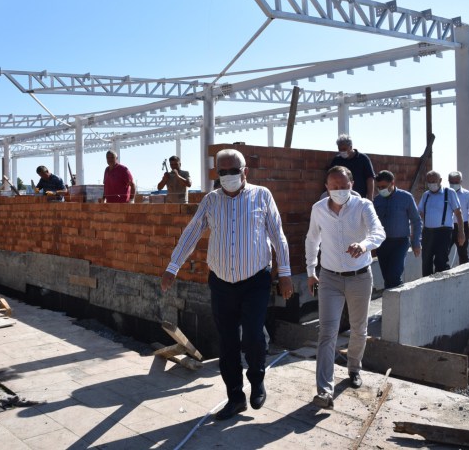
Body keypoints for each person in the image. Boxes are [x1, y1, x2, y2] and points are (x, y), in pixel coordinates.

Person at [160, 149, 293, 421]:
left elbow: (277, 235)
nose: (228, 176)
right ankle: (235, 397)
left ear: (245, 172)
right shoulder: (211, 200)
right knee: (228, 341)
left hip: (255, 279)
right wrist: (173, 266)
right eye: (223, 171)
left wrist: (286, 273)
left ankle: (257, 379)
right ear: (217, 174)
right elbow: (192, 232)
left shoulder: (262, 196)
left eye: (234, 171)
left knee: (253, 335)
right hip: (221, 282)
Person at [305, 166, 385, 409]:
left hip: (360, 277)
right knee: (326, 332)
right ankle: (324, 390)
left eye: (343, 186)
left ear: (352, 185)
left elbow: (379, 232)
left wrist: (364, 245)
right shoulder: (318, 209)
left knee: (359, 328)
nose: (339, 190)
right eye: (334, 186)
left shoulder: (363, 206)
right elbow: (312, 239)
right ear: (327, 187)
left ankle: (354, 367)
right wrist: (311, 271)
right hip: (329, 278)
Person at [372, 170, 422, 289]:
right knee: (387, 277)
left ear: (392, 183)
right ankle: (391, 299)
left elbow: (416, 220)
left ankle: (398, 297)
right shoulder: (377, 200)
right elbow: (372, 223)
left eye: (384, 186)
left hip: (400, 242)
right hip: (382, 243)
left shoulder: (406, 197)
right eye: (379, 187)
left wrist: (416, 242)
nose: (381, 189)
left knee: (394, 275)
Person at [418, 171, 465, 276]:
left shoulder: (449, 193)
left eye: (434, 181)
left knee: (441, 261)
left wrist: (461, 232)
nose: (431, 184)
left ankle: (441, 282)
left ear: (440, 180)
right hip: (428, 232)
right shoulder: (426, 195)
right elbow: (420, 212)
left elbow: (458, 213)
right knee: (426, 261)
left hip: (443, 232)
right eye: (429, 182)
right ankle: (426, 282)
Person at [328, 134, 375, 200]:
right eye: (340, 149)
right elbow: (330, 178)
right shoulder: (337, 160)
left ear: (350, 147)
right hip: (341, 198)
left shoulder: (363, 159)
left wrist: (370, 197)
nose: (342, 151)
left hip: (360, 197)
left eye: (344, 149)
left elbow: (370, 178)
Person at [447, 171, 469, 265]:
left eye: (456, 182)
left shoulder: (467, 195)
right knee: (444, 252)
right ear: (448, 181)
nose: (454, 184)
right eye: (452, 182)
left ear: (461, 181)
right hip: (448, 226)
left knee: (463, 253)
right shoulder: (444, 194)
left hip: (463, 226)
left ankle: (464, 271)